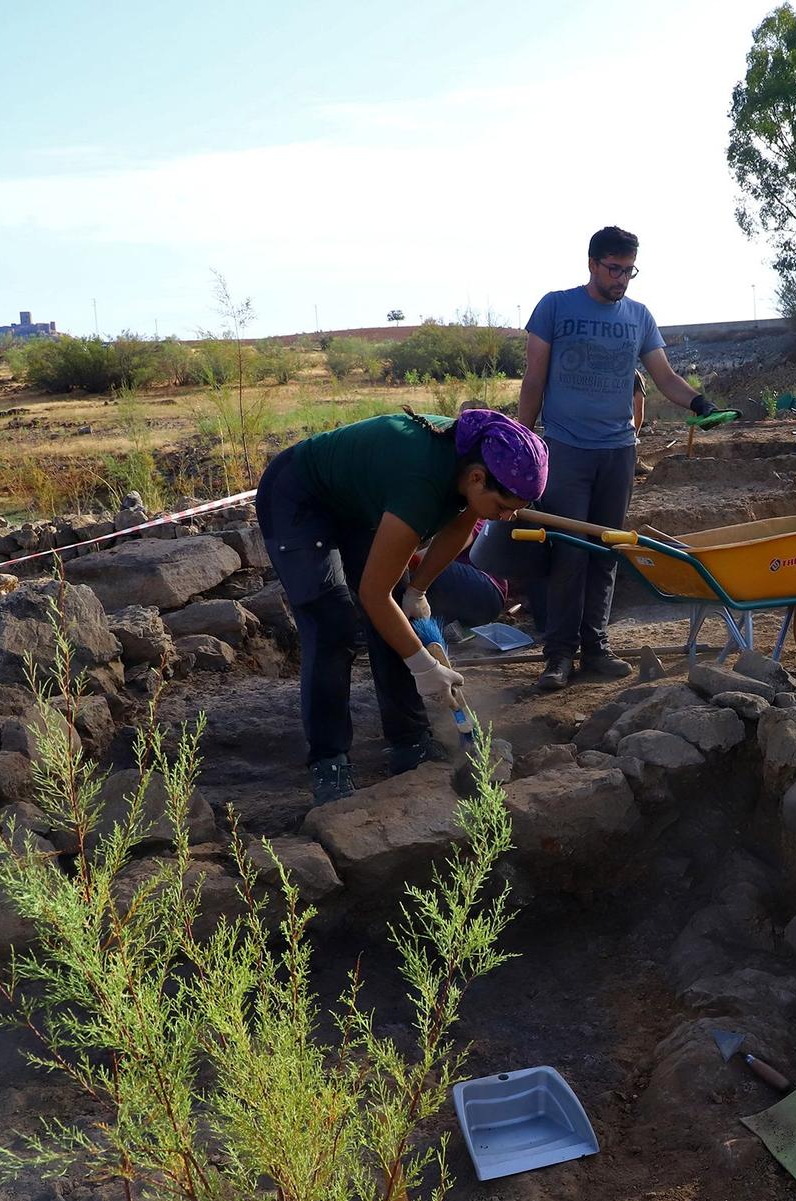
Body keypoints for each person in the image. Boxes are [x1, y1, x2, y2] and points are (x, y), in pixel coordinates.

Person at [255, 407, 547, 805]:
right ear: (477, 477)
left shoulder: (471, 466)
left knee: (396, 610)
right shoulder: (422, 480)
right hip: (298, 497)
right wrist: (424, 668)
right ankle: (330, 760)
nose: (507, 516)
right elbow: (372, 595)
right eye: (503, 506)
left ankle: (409, 742)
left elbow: (457, 529)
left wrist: (418, 591)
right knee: (333, 624)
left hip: (356, 500)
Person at [521, 225, 720, 692]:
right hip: (566, 449)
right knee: (570, 551)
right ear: (592, 263)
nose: (623, 279)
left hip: (618, 451)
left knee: (609, 549)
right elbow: (534, 379)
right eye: (615, 269)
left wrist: (699, 403)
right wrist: (522, 440)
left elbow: (665, 377)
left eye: (630, 271)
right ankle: (558, 656)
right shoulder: (555, 307)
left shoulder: (639, 316)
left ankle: (596, 646)